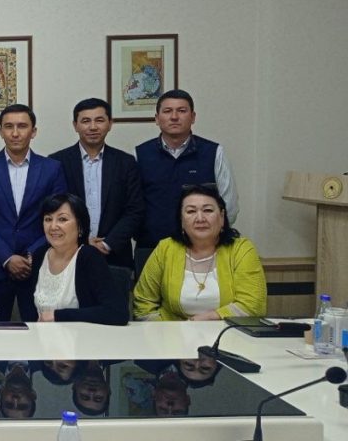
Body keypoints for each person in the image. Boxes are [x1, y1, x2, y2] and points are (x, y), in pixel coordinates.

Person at [0, 104, 66, 321]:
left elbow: (59, 218)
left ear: (34, 131)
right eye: (9, 126)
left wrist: (32, 254)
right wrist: (6, 257)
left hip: (39, 265)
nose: (15, 133)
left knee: (40, 330)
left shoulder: (52, 168)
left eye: (22, 126)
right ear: (0, 131)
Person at [133, 184, 266, 321]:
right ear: (181, 220)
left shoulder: (241, 250)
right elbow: (143, 303)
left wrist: (210, 318)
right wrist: (166, 330)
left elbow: (253, 305)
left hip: (228, 331)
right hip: (171, 333)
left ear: (221, 217)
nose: (200, 218)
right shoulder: (166, 249)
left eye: (208, 210)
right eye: (191, 211)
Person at [135, 89, 239, 249]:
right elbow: (132, 205)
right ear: (157, 118)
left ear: (193, 117)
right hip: (151, 246)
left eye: (182, 111)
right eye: (167, 111)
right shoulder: (140, 154)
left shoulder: (214, 152)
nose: (174, 117)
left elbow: (229, 205)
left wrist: (211, 236)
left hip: (203, 247)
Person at [50, 98, 144, 269]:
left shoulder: (126, 163)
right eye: (86, 121)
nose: (93, 127)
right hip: (68, 255)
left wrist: (108, 243)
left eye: (99, 120)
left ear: (110, 124)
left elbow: (135, 209)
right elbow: (52, 212)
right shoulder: (57, 162)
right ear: (75, 125)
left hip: (115, 256)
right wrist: (81, 241)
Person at [27, 193, 129, 326]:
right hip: (42, 337)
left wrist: (58, 316)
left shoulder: (89, 257)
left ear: (80, 226)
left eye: (62, 219)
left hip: (81, 338)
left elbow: (117, 312)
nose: (53, 226)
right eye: (48, 219)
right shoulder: (40, 255)